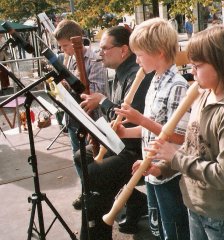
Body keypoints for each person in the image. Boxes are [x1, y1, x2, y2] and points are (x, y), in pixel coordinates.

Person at [146, 25, 224, 240]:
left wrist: (175, 157)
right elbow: (192, 149)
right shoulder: (201, 96)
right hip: (194, 204)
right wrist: (163, 168)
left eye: (197, 65)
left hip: (223, 216)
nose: (191, 69)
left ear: (222, 64)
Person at [74, 26, 154, 239]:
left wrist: (102, 100)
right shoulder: (120, 73)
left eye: (105, 48)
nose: (100, 53)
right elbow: (115, 120)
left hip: (136, 150)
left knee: (95, 177)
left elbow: (127, 121)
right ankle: (133, 201)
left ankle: (97, 230)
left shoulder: (136, 75)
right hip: (120, 145)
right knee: (81, 156)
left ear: (123, 50)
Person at [114, 18, 190, 240]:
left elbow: (178, 137)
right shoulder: (154, 80)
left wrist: (140, 119)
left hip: (168, 173)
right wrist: (124, 132)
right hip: (150, 170)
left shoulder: (177, 85)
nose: (137, 61)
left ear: (158, 52)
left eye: (139, 54)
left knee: (174, 229)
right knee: (159, 228)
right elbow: (150, 129)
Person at [53, 19, 109, 209]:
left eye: (66, 46)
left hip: (91, 119)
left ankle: (101, 194)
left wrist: (71, 84)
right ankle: (86, 191)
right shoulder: (68, 58)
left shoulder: (94, 60)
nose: (64, 51)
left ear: (77, 40)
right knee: (77, 158)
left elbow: (95, 92)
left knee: (95, 161)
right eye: (61, 47)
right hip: (73, 117)